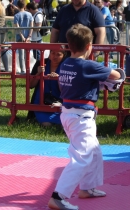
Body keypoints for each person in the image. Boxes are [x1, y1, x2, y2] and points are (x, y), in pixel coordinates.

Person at [48, 23, 122, 210]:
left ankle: (87, 188)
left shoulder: (66, 63)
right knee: (82, 156)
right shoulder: (87, 65)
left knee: (94, 151)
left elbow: (81, 82)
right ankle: (58, 197)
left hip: (71, 114)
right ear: (90, 46)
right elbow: (115, 74)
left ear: (68, 45)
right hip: (80, 117)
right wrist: (119, 75)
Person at [28, 50, 66, 126]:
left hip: (60, 103)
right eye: (53, 53)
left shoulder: (67, 66)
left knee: (63, 124)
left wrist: (59, 79)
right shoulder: (41, 63)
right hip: (41, 102)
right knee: (46, 124)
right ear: (49, 54)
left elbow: (65, 91)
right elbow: (30, 85)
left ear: (63, 56)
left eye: (58, 54)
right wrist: (38, 74)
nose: (55, 56)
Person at [14, 0, 33, 73]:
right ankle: (28, 69)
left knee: (21, 55)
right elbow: (31, 26)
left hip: (19, 37)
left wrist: (22, 37)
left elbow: (17, 27)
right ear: (25, 6)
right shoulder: (30, 14)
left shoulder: (16, 16)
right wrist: (29, 36)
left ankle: (22, 70)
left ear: (18, 6)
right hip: (28, 36)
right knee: (27, 54)